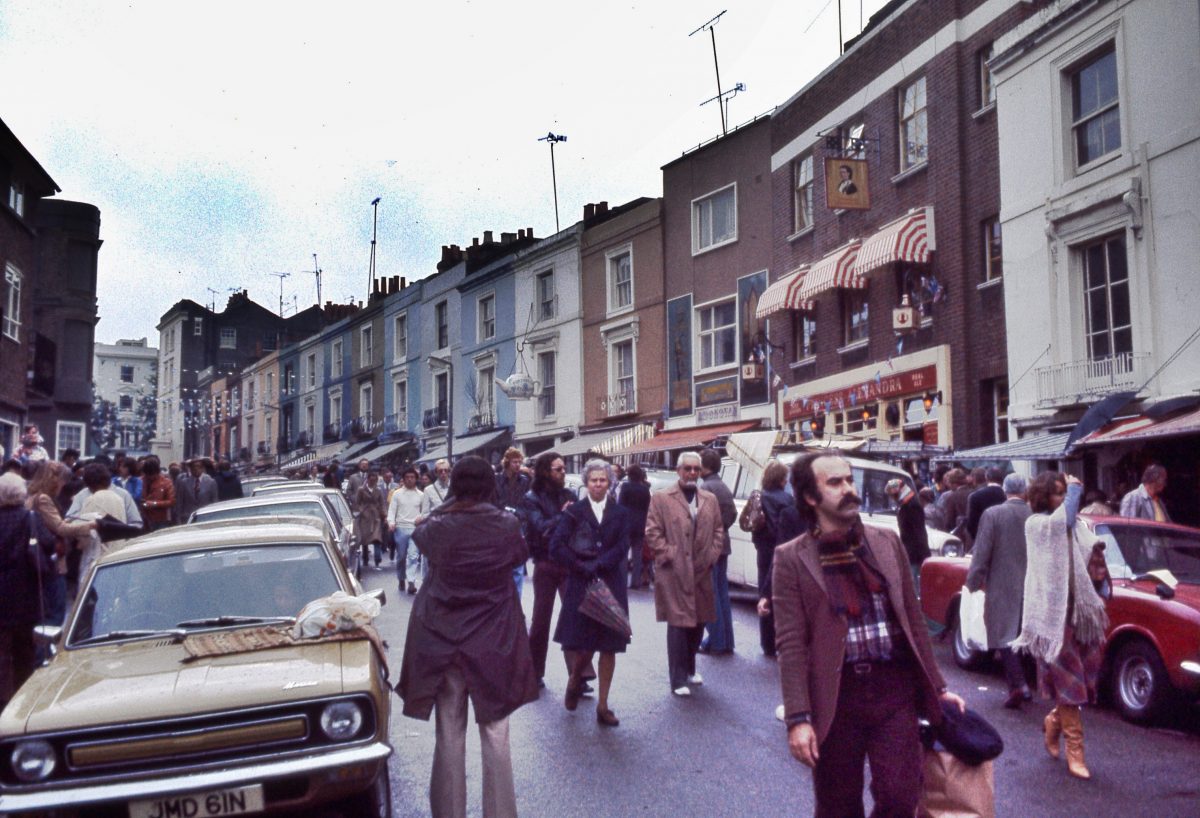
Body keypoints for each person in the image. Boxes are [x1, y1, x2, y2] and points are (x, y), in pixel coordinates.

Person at [774, 453, 965, 817]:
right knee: (838, 806)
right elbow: (791, 645)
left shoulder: (885, 541)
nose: (849, 489)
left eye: (849, 479)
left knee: (899, 797)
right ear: (810, 497)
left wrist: (937, 688)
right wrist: (798, 718)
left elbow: (911, 617)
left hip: (893, 690)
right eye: (835, 483)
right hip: (837, 696)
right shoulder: (791, 559)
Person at [397, 456, 537, 818]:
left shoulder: (437, 526)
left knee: (449, 734)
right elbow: (519, 557)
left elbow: (423, 537)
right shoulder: (507, 524)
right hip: (493, 637)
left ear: (455, 483)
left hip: (442, 635)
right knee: (496, 732)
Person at [1012, 472, 1108, 780]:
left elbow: (1088, 548)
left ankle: (1054, 720)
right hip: (1052, 619)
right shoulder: (1037, 524)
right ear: (1043, 497)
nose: (1064, 498)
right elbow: (1061, 522)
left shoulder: (1076, 525)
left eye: (1065, 492)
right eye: (1057, 493)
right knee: (1071, 683)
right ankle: (1075, 752)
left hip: (1079, 613)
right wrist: (1077, 489)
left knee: (1086, 679)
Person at [548, 459, 631, 726]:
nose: (598, 484)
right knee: (582, 642)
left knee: (610, 646)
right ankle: (575, 679)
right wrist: (580, 565)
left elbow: (622, 546)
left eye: (603, 480)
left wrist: (601, 564)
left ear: (610, 482)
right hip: (581, 583)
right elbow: (557, 546)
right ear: (586, 482)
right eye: (593, 480)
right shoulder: (574, 512)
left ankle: (603, 706)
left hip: (611, 583)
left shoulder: (620, 513)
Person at [644, 451, 725, 696]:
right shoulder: (661, 498)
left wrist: (712, 554)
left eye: (696, 469)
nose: (692, 473)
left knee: (699, 621)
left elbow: (719, 530)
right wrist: (669, 553)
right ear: (678, 471)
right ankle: (678, 678)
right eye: (687, 469)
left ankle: (691, 668)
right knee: (678, 624)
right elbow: (652, 531)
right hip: (674, 572)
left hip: (702, 569)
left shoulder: (709, 498)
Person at [519, 451, 594, 691]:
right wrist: (563, 515)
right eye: (558, 469)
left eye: (563, 468)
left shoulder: (569, 494)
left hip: (568, 562)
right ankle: (534, 672)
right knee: (541, 620)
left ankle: (579, 675)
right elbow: (540, 528)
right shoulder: (532, 498)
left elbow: (581, 526)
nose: (563, 473)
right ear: (545, 472)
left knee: (574, 616)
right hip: (545, 563)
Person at [965, 472, 1032, 708]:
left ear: (1005, 491)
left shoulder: (993, 514)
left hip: (1002, 583)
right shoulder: (1034, 516)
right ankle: (1022, 685)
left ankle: (1019, 685)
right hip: (1032, 584)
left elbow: (982, 552)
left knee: (1005, 636)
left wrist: (972, 582)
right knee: (1023, 636)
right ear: (1025, 491)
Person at [0, 473, 56, 710]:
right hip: (24, 589)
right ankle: (22, 697)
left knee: (2, 648)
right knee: (24, 647)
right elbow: (48, 542)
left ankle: (3, 697)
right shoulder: (30, 518)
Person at [25, 462, 97, 627]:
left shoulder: (32, 496)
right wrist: (91, 525)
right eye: (62, 480)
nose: (64, 485)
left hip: (42, 559)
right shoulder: (43, 499)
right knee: (55, 612)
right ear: (53, 479)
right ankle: (45, 650)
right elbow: (60, 528)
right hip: (52, 560)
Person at [754, 461, 795, 658]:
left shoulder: (759, 497)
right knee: (782, 595)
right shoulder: (788, 499)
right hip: (783, 548)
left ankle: (767, 643)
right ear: (781, 479)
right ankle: (782, 640)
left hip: (764, 549)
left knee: (764, 592)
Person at [698, 449, 736, 656]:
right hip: (724, 544)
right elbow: (732, 513)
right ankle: (726, 640)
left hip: (709, 546)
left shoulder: (705, 487)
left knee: (709, 596)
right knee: (722, 594)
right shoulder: (723, 486)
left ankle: (716, 641)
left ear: (706, 467)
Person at [494, 448, 532, 596]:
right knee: (502, 565)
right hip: (500, 525)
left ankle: (517, 604)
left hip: (518, 525)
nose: (517, 465)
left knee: (518, 566)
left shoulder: (524, 480)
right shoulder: (497, 479)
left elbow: (527, 503)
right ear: (507, 462)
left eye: (519, 462)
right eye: (514, 461)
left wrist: (519, 514)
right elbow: (495, 501)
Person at [884, 478, 930, 592]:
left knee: (914, 585)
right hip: (910, 550)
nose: (892, 498)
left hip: (914, 553)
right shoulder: (907, 504)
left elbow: (918, 532)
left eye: (893, 495)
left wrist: (923, 554)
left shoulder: (912, 505)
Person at [388, 467, 424, 594]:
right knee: (402, 556)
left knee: (413, 556)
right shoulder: (397, 494)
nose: (410, 480)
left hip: (415, 529)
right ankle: (401, 578)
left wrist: (421, 518)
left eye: (412, 477)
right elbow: (392, 510)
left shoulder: (421, 495)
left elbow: (424, 512)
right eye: (407, 477)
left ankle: (411, 582)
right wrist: (391, 523)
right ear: (403, 479)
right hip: (401, 528)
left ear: (416, 479)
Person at [618, 464, 652, 588]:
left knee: (624, 554)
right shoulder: (645, 490)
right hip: (640, 525)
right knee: (637, 554)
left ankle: (622, 580)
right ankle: (635, 581)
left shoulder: (625, 487)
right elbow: (648, 508)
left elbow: (620, 505)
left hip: (626, 524)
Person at [964, 466, 1007, 546]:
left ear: (986, 478)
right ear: (1002, 479)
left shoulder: (975, 496)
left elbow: (971, 524)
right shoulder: (1006, 496)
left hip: (982, 540)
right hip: (1004, 542)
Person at [355, 471, 388, 568]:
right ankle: (365, 558)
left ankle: (377, 558)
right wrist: (361, 511)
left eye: (375, 480)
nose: (373, 481)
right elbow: (357, 502)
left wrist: (384, 515)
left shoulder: (378, 490)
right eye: (371, 479)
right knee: (365, 539)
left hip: (376, 516)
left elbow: (382, 503)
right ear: (368, 479)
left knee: (376, 537)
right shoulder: (361, 490)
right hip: (365, 516)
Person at [174, 458, 218, 523]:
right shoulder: (183, 483)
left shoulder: (211, 482)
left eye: (199, 467)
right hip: (187, 518)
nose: (196, 470)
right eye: (194, 468)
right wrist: (178, 520)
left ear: (203, 469)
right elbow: (179, 503)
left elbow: (214, 501)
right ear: (190, 469)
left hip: (205, 517)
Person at [140, 457, 176, 531]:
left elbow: (172, 501)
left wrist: (154, 503)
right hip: (143, 519)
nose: (150, 477)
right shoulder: (140, 481)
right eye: (148, 474)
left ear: (157, 472)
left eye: (152, 474)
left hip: (161, 519)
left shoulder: (166, 482)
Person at [933, 467, 970, 534]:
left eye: (949, 483)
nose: (949, 486)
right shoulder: (974, 493)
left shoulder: (951, 497)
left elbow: (949, 521)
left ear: (954, 483)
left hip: (959, 534)